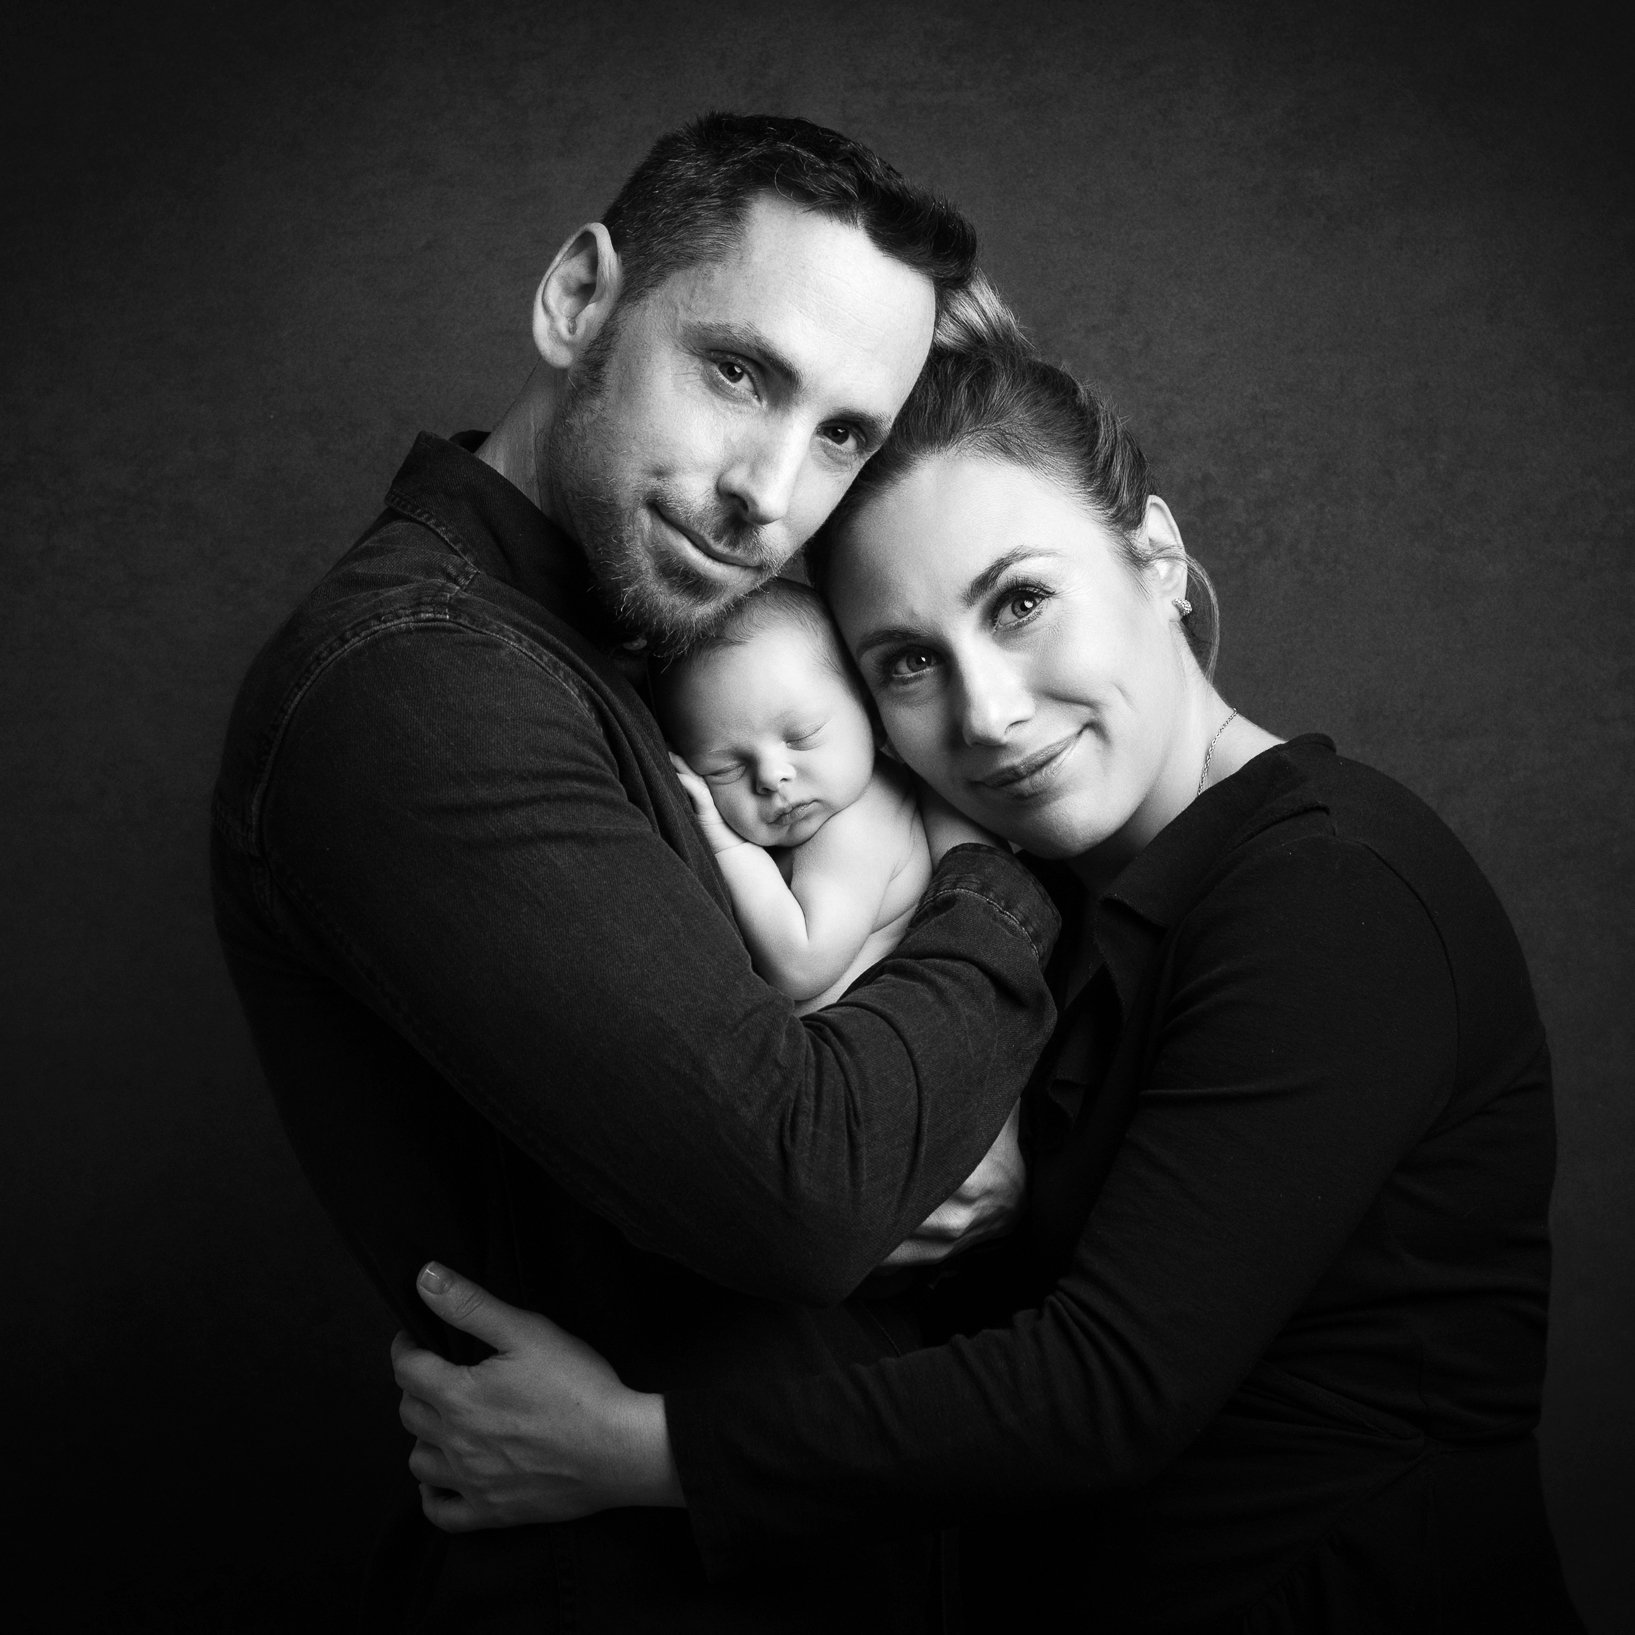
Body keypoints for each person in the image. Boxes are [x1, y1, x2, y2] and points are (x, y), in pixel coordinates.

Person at [393, 338, 1585, 1632]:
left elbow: (1107, 1382)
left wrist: (630, 1445)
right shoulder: (1045, 902)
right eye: (905, 660)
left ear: (1154, 555)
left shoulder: (1335, 894)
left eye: (1018, 600)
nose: (988, 711)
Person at [211, 115, 1062, 1632]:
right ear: (575, 301)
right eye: (737, 370)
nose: (766, 490)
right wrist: (995, 884)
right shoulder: (418, 682)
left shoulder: (654, 648)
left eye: (841, 436)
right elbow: (805, 1190)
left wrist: (935, 1095)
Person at [656, 577, 931, 1014]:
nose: (770, 776)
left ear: (874, 717)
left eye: (802, 736)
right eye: (725, 768)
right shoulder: (833, 805)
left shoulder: (860, 822)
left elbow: (800, 965)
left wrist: (728, 845)